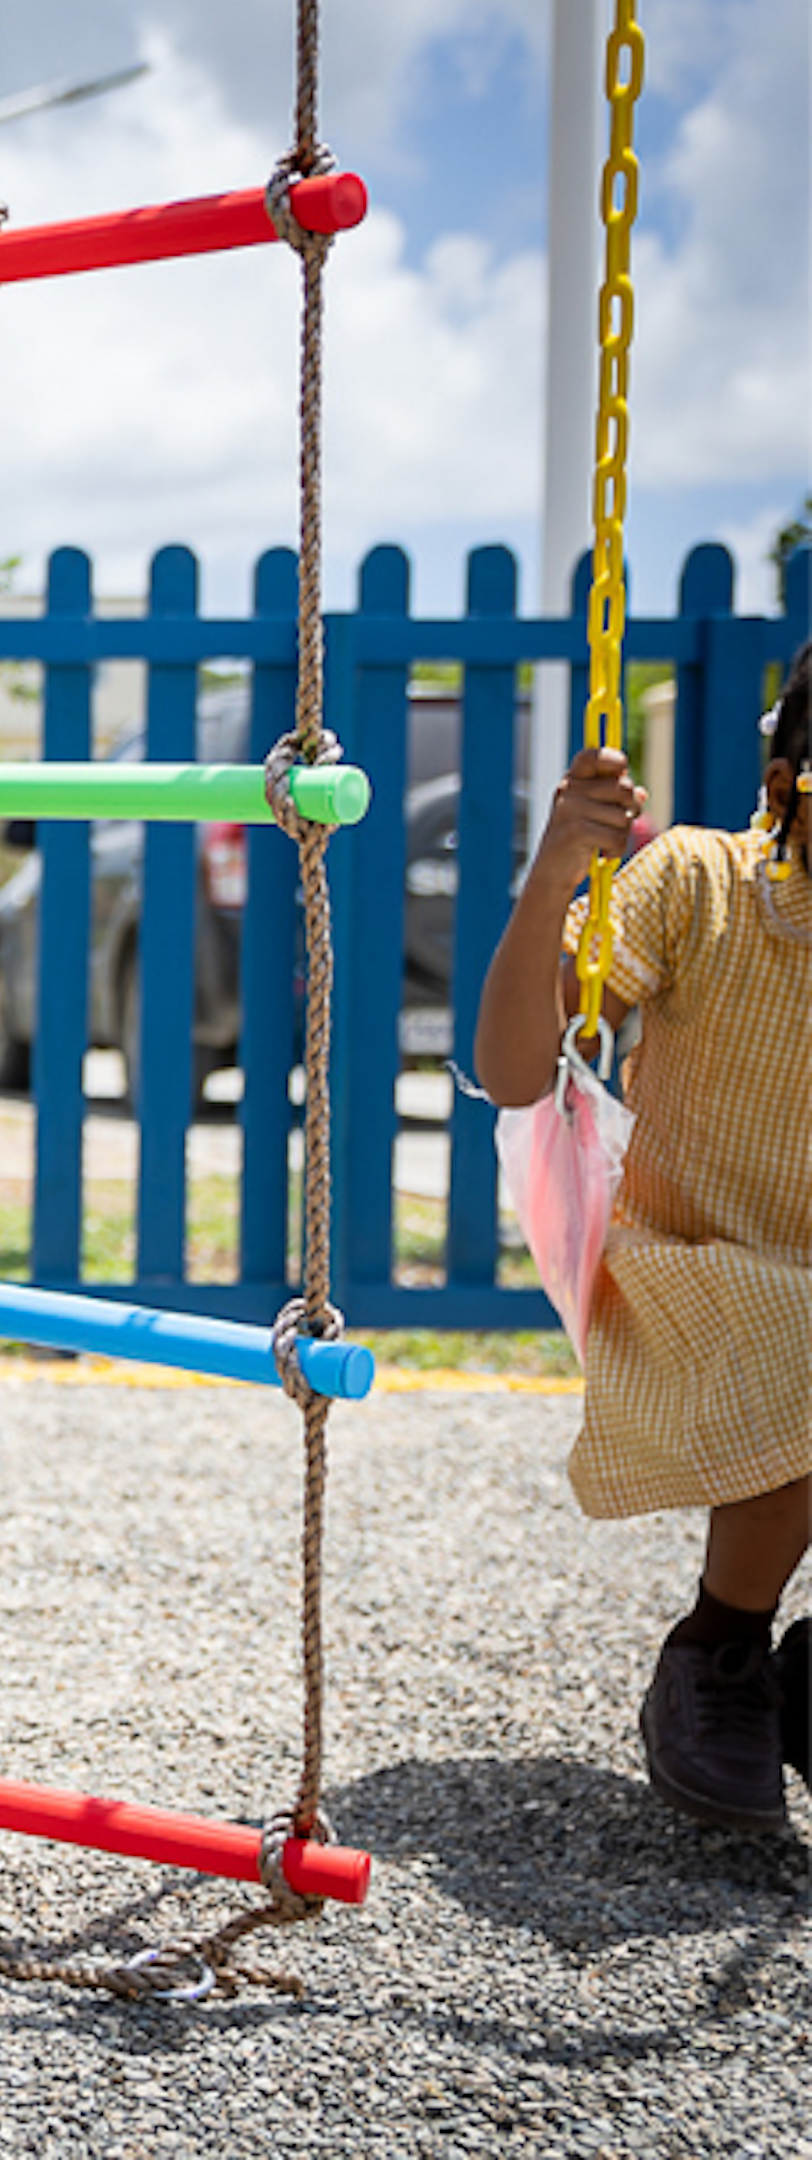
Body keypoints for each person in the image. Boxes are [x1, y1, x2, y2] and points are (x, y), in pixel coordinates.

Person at [478, 661, 812, 1839]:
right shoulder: (699, 885)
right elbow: (520, 1072)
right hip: (684, 1266)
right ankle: (718, 1648)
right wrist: (557, 877)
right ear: (787, 789)